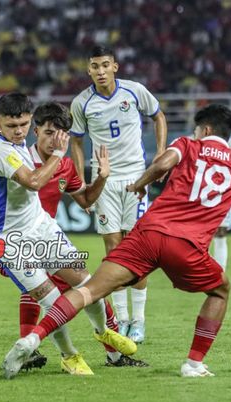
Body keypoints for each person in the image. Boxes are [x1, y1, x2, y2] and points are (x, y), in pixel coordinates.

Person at [2, 105, 231, 379]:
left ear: (204, 128)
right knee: (221, 290)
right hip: (188, 247)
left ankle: (35, 338)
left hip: (148, 233)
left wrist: (143, 182)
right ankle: (193, 363)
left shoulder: (188, 145)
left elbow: (164, 162)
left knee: (88, 289)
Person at [0, 102, 147, 372]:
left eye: (60, 134)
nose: (54, 139)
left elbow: (86, 200)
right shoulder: (14, 153)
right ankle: (68, 355)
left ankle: (105, 337)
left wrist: (102, 178)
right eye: (49, 132)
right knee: (49, 300)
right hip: (14, 242)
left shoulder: (64, 165)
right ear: (37, 131)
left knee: (89, 286)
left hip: (46, 232)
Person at [69, 46, 168, 343]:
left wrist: (160, 155)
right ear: (88, 70)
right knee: (114, 250)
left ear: (115, 66)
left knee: (136, 249)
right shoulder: (81, 103)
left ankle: (139, 320)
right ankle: (122, 319)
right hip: (104, 181)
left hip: (135, 179)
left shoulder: (135, 91)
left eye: (104, 65)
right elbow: (76, 141)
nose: (100, 71)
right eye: (94, 66)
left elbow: (158, 116)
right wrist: (82, 180)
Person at [211, 195, 231, 270]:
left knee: (221, 233)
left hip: (220, 197)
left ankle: (220, 273)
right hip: (199, 196)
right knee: (198, 235)